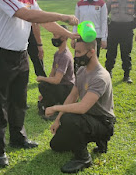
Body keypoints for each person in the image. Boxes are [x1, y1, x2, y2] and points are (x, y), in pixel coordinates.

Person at [0, 0, 79, 167]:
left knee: (19, 100)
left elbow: (45, 21)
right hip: (2, 54)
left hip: (20, 54)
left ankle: (18, 138)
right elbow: (27, 15)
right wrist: (64, 15)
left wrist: (68, 35)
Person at [45, 38, 115, 174]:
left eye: (78, 52)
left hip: (103, 123)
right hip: (87, 118)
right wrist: (58, 119)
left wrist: (55, 108)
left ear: (91, 52)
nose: (75, 55)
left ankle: (83, 158)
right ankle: (94, 141)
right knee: (56, 145)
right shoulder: (82, 70)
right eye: (75, 51)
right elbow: (72, 96)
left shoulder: (100, 77)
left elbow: (82, 107)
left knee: (69, 119)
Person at [0, 11, 46, 77]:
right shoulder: (1, 1)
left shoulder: (29, 1)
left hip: (28, 31)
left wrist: (39, 44)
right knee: (11, 62)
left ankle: (43, 79)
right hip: (10, 34)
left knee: (37, 55)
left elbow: (35, 22)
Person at [105, 0, 136, 83]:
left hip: (127, 29)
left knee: (126, 53)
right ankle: (108, 72)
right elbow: (104, 14)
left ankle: (127, 75)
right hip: (113, 28)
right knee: (111, 52)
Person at [36, 25, 75, 120]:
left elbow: (57, 80)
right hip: (61, 86)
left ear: (64, 37)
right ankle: (50, 104)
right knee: (44, 85)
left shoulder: (64, 56)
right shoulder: (57, 54)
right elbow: (52, 73)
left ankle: (56, 110)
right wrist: (45, 92)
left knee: (42, 85)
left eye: (55, 35)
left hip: (67, 89)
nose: (53, 38)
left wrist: (42, 78)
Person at [72, 0, 108, 64]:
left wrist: (104, 38)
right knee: (80, 59)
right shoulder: (79, 4)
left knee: (93, 60)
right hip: (81, 36)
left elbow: (104, 21)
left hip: (96, 36)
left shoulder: (101, 4)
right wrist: (73, 37)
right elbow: (75, 21)